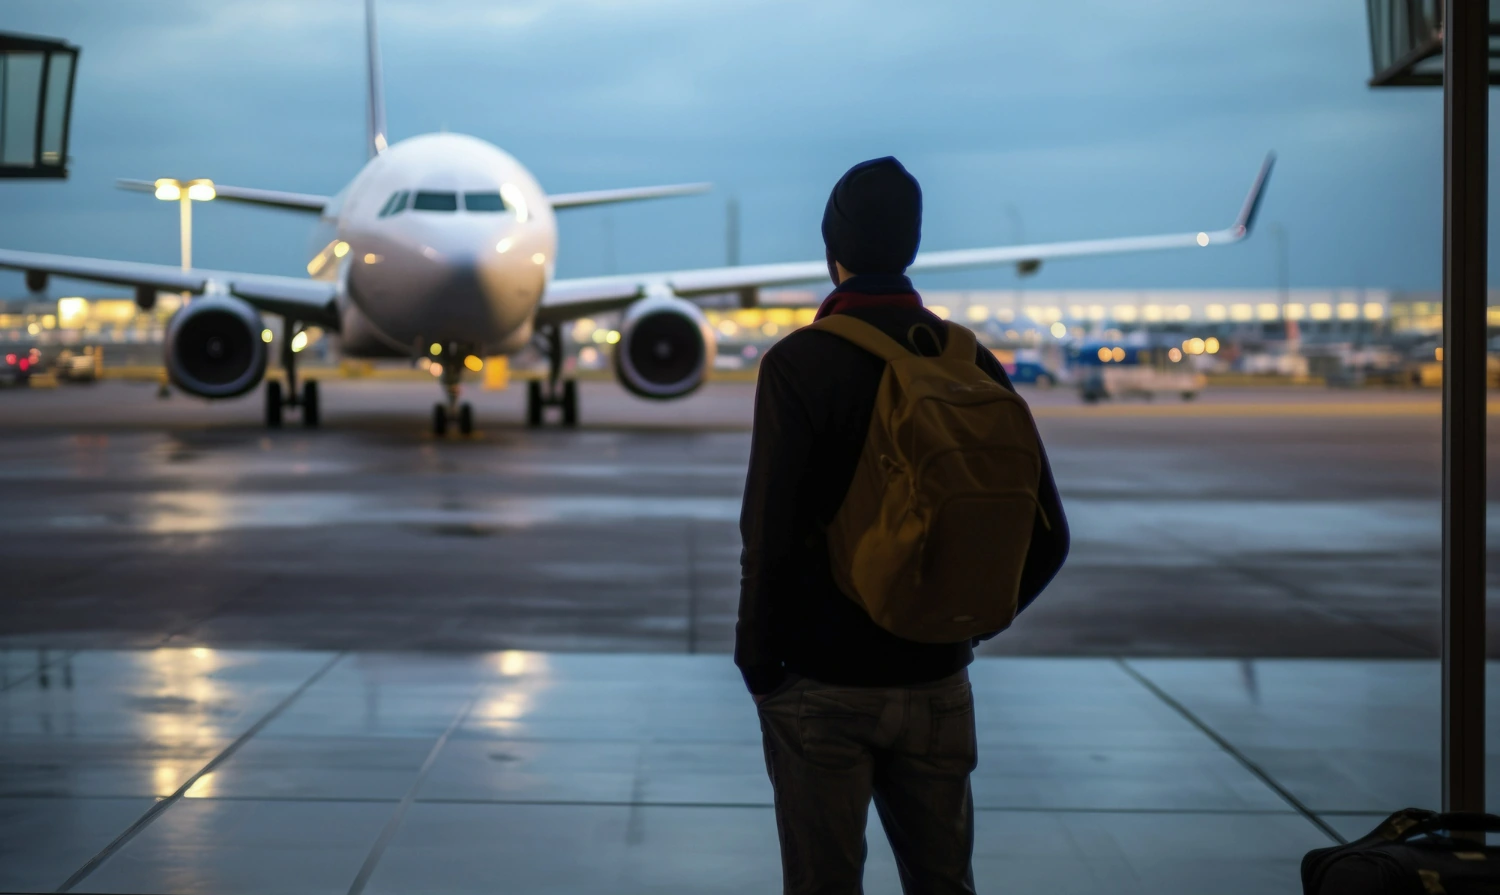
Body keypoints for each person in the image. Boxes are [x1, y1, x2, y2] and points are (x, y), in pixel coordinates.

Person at [737, 156, 1070, 894]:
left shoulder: (798, 363)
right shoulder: (968, 358)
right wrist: (962, 619)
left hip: (821, 684)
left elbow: (768, 536)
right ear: (913, 245)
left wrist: (760, 665)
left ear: (835, 252)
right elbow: (1051, 537)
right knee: (945, 884)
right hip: (937, 678)